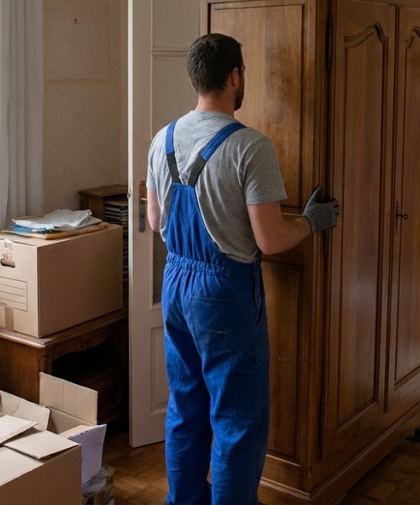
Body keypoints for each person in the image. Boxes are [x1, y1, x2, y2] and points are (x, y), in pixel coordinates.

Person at [146, 32, 340, 505]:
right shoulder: (250, 146)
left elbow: (154, 221)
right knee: (237, 418)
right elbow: (270, 241)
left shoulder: (162, 139)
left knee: (186, 405)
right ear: (235, 77)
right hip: (223, 292)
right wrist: (312, 221)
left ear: (195, 78)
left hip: (175, 280)